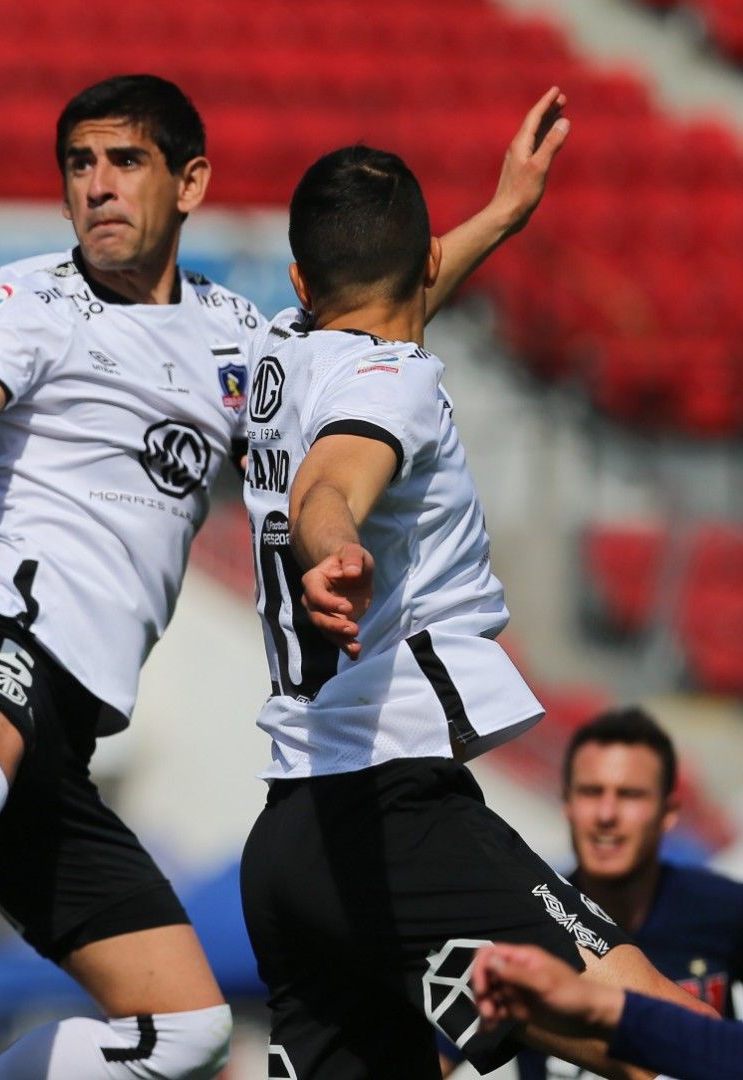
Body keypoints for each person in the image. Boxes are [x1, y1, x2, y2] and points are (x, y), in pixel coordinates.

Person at [0, 75, 571, 1079]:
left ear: (190, 182)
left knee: (187, 1031)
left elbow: (379, 307)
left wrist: (500, 217)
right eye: (79, 165)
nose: (97, 186)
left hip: (62, 738)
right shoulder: (30, 299)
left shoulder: (238, 335)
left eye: (124, 161)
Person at [235, 145, 712, 1080]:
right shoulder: (395, 380)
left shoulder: (279, 355)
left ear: (301, 278)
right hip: (392, 812)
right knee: (664, 1038)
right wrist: (331, 546)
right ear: (421, 269)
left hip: (289, 836)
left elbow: (386, 307)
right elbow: (332, 478)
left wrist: (503, 213)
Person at [511, 707, 743, 1079]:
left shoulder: (725, 909)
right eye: (591, 792)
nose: (606, 813)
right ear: (567, 805)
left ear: (668, 812)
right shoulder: (517, 922)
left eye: (630, 795)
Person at [474, 943, 743, 1080]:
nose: (606, 830)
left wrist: (597, 1006)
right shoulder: (527, 924)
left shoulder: (723, 907)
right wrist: (595, 1003)